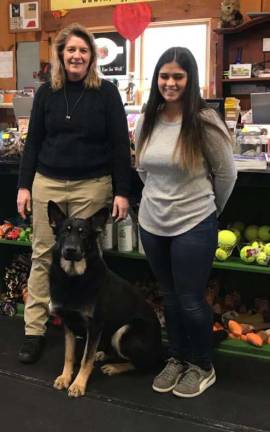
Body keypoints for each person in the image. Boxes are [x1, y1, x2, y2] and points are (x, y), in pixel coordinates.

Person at [17, 23, 131, 364]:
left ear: (92, 57)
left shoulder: (106, 93)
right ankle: (34, 332)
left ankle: (89, 326)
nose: (77, 56)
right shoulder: (46, 93)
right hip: (47, 183)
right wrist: (24, 185)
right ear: (61, 55)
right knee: (42, 256)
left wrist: (122, 191)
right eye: (71, 50)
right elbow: (33, 142)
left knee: (88, 258)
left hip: (91, 185)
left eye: (83, 50)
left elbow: (120, 147)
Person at [135, 47, 237, 398]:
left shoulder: (204, 121)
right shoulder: (149, 116)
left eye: (178, 76)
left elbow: (226, 173)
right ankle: (177, 358)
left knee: (191, 300)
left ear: (190, 79)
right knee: (169, 297)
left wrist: (210, 210)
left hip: (194, 222)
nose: (170, 82)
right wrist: (158, 198)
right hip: (152, 223)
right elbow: (142, 167)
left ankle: (202, 365)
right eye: (164, 76)